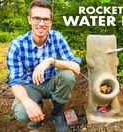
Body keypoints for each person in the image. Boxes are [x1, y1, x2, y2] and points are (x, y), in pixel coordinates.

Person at [6, 0, 81, 131]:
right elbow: (15, 82)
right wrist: (27, 102)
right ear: (29, 19)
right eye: (37, 18)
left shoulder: (57, 37)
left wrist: (51, 61)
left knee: (68, 75)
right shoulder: (17, 45)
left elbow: (76, 67)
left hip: (51, 82)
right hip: (29, 85)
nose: (41, 23)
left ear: (50, 22)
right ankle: (36, 107)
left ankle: (57, 114)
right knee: (23, 113)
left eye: (46, 19)